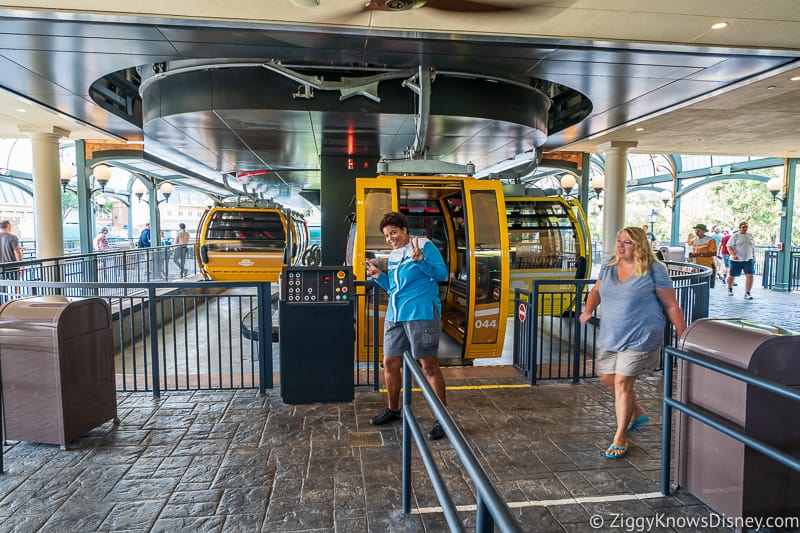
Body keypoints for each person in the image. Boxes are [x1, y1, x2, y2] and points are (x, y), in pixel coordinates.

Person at [579, 226, 686, 460]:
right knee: (607, 378)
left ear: (639, 245)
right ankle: (636, 413)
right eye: (619, 240)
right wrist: (587, 310)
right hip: (612, 334)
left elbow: (671, 305)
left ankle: (620, 437)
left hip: (642, 335)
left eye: (626, 242)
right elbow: (596, 291)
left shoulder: (654, 269)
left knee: (621, 383)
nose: (620, 246)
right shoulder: (609, 265)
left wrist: (684, 336)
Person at [365, 211, 450, 441]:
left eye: (393, 232)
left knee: (428, 365)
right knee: (390, 362)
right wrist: (379, 276)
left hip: (421, 312)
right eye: (386, 235)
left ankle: (443, 420)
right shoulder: (393, 255)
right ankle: (393, 409)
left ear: (404, 230)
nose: (390, 237)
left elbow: (442, 274)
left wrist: (421, 261)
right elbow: (394, 288)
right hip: (395, 315)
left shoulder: (423, 245)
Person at [727, 221, 756, 299]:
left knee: (750, 275)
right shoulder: (735, 236)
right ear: (740, 228)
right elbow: (729, 246)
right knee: (732, 275)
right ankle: (730, 289)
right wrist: (733, 255)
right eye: (743, 227)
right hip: (736, 260)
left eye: (746, 227)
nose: (745, 228)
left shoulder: (750, 235)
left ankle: (747, 292)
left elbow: (752, 247)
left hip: (748, 259)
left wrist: (754, 256)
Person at [688, 223, 717, 288]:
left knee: (704, 287)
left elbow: (713, 253)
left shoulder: (710, 240)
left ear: (704, 231)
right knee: (694, 286)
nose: (696, 232)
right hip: (695, 266)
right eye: (696, 230)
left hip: (707, 265)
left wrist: (699, 254)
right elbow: (690, 250)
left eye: (699, 230)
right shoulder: (693, 240)